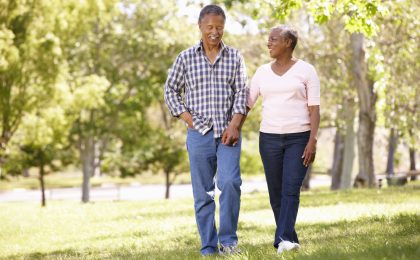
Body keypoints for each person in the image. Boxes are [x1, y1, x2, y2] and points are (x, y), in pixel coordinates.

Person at [164, 4, 247, 256]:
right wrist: (187, 118)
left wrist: (235, 124)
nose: (214, 32)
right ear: (200, 26)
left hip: (227, 133)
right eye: (209, 27)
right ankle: (208, 247)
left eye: (219, 27)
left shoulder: (234, 57)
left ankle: (229, 242)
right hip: (198, 135)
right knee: (203, 194)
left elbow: (243, 92)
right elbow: (170, 90)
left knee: (230, 182)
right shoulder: (185, 57)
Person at [246, 25, 320, 254]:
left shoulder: (307, 71)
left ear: (288, 43)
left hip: (299, 137)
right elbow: (246, 104)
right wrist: (232, 125)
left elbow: (315, 109)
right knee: (275, 192)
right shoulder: (262, 72)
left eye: (273, 39)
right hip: (268, 139)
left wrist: (312, 140)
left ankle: (283, 239)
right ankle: (289, 239)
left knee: (291, 188)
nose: (268, 43)